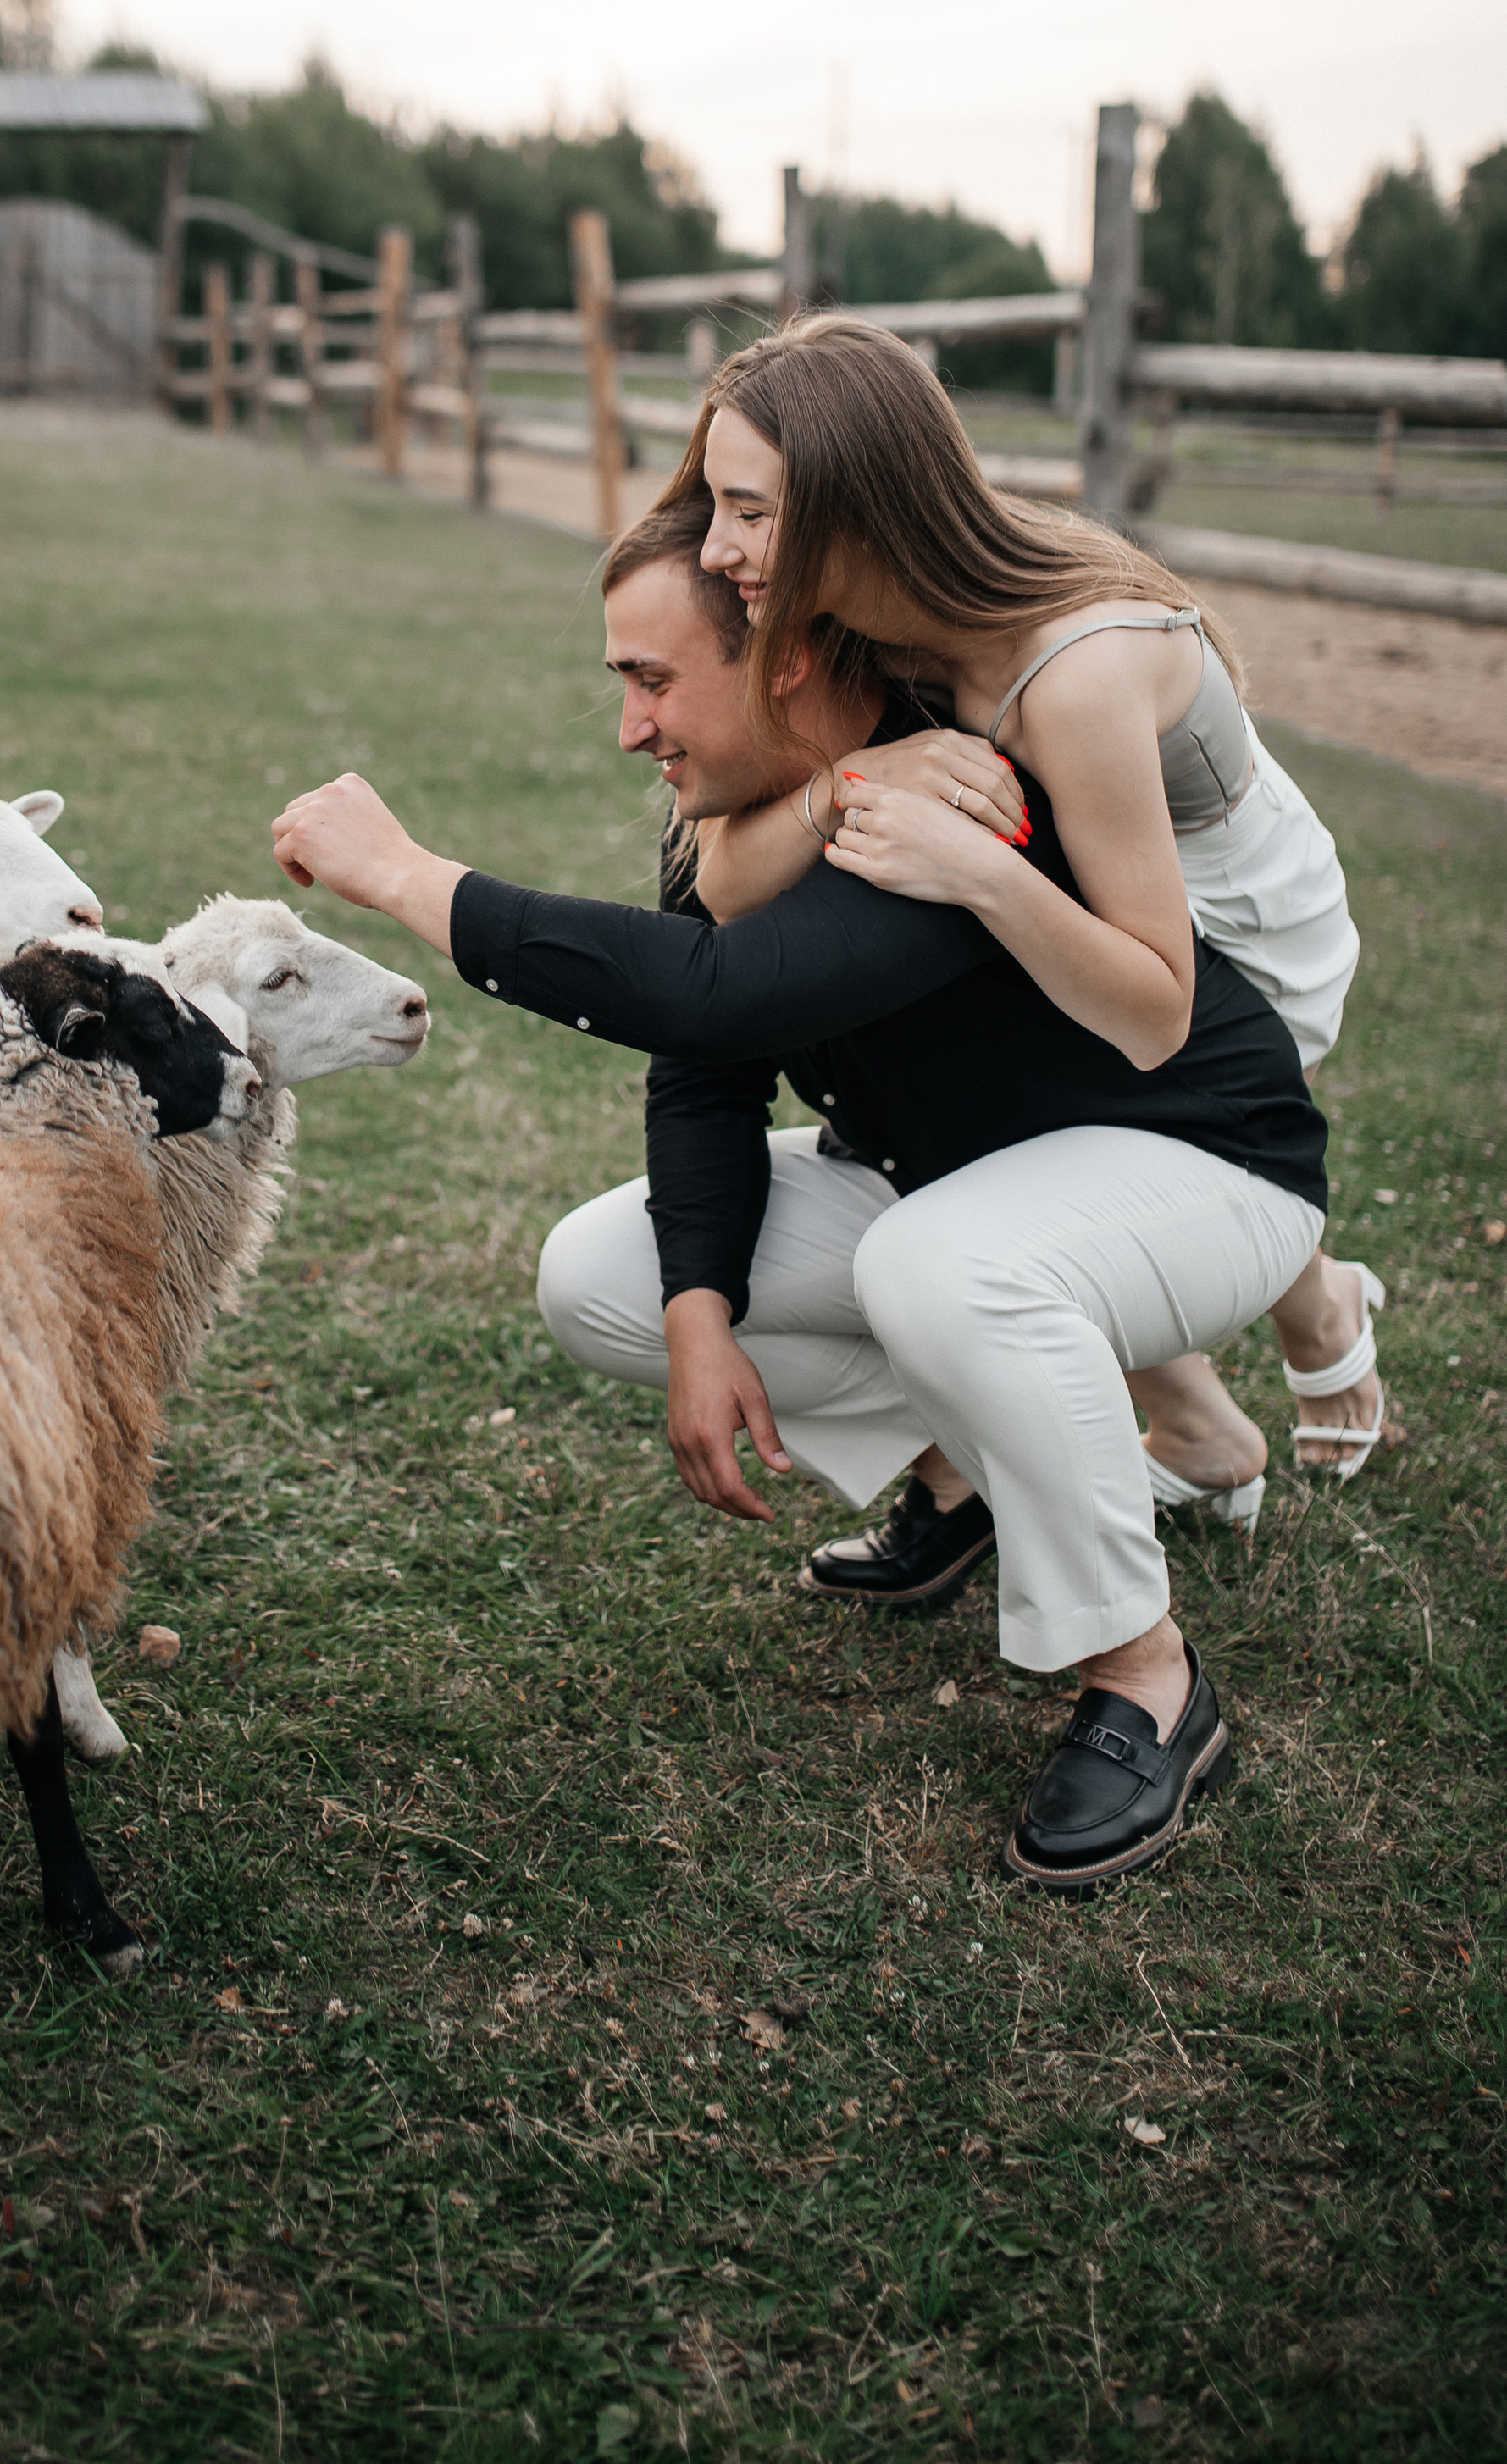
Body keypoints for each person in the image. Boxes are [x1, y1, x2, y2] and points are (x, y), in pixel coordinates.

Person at [268, 500, 1331, 1895]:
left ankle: (1145, 1678)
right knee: (607, 1272)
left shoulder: (947, 792)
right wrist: (701, 1317)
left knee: (940, 1269)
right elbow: (708, 1064)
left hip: (1202, 1167)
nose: (634, 729)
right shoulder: (742, 816)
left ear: (785, 664)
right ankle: (962, 1486)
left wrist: (409, 877)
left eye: (654, 682)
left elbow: (714, 989)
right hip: (963, 1184)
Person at [679, 318, 1377, 1497]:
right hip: (1098, 896)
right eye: (715, 505)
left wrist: (983, 875)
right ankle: (1213, 1407)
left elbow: (1159, 1015)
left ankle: (1310, 1296)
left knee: (996, 1073)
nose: (712, 549)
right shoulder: (861, 628)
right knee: (958, 1051)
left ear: (858, 505)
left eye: (749, 511)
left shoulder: (1070, 672)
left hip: (1236, 942)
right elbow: (720, 883)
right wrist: (844, 789)